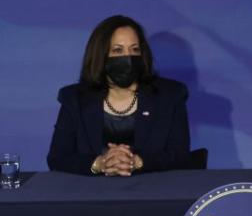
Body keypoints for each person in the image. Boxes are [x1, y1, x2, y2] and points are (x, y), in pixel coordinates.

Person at [47, 15, 191, 175]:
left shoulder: (170, 95)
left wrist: (136, 162)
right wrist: (100, 164)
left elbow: (181, 157)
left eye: (135, 49)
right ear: (100, 56)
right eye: (118, 50)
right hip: (92, 194)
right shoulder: (75, 98)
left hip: (153, 192)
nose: (128, 57)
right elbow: (57, 158)